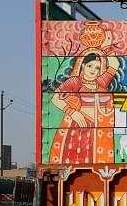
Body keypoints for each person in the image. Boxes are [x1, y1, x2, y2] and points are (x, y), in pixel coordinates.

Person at [49, 30, 119, 164]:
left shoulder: (101, 83)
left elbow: (115, 65)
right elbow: (55, 99)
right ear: (83, 66)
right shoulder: (75, 82)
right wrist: (73, 112)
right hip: (78, 131)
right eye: (90, 66)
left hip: (99, 134)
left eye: (97, 68)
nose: (93, 70)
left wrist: (106, 48)